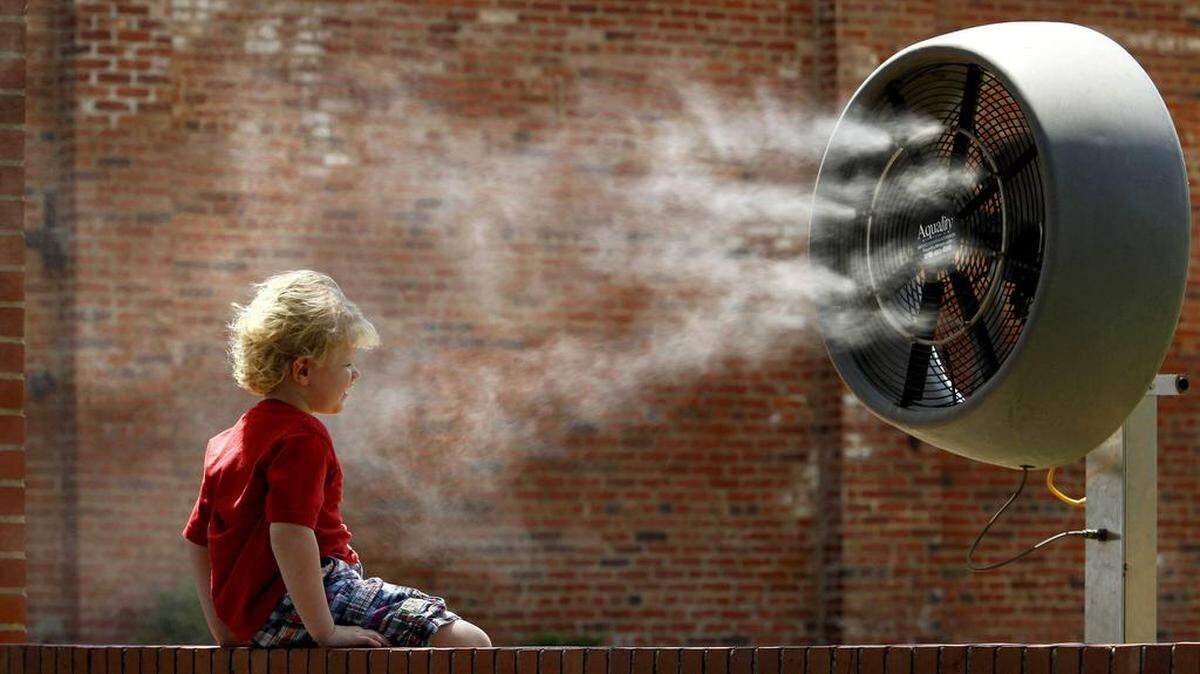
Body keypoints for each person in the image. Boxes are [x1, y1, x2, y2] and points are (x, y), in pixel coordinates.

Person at [181, 270, 491, 649]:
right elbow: (290, 532)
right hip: (314, 598)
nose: (355, 374)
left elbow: (198, 542)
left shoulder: (224, 443)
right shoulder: (301, 435)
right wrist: (324, 630)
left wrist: (224, 631)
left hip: (256, 624)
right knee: (467, 643)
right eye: (346, 363)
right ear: (304, 369)